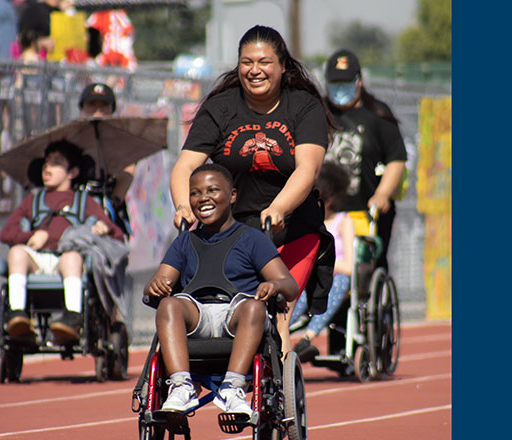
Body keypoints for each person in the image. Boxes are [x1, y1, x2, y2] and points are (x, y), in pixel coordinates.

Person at [169, 25, 336, 359]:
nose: (255, 70)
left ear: (283, 65)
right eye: (247, 62)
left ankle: (278, 400)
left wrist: (279, 208)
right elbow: (184, 166)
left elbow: (308, 169)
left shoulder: (303, 107)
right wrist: (183, 205)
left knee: (278, 315)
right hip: (232, 236)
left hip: (292, 232)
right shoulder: (220, 108)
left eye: (264, 61)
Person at [145, 164, 298, 414]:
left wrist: (273, 284)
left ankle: (232, 388)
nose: (203, 198)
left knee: (253, 306)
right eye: (195, 193)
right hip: (197, 318)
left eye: (213, 190)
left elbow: (289, 285)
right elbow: (158, 283)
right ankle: (181, 387)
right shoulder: (184, 241)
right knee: (168, 304)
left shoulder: (252, 239)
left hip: (239, 316)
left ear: (232, 195)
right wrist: (156, 286)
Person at [0, 139, 125, 344]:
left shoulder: (85, 202)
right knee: (16, 253)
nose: (47, 166)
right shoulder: (33, 201)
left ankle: (72, 319)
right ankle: (17, 316)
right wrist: (30, 236)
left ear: (72, 172)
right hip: (37, 260)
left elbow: (117, 235)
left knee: (72, 257)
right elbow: (5, 233)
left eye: (56, 162)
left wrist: (103, 230)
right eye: (46, 162)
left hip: (66, 262)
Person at [323, 49, 407, 271]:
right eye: (335, 83)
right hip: (327, 213)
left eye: (346, 82)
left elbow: (396, 158)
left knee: (368, 268)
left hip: (367, 212)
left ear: (359, 82)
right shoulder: (318, 112)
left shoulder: (377, 114)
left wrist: (382, 194)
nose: (340, 88)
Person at [290, 161, 355, 362]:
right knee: (297, 288)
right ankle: (276, 332)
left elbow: (349, 267)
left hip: (336, 277)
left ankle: (307, 339)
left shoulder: (343, 222)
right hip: (311, 278)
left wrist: (325, 263)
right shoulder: (307, 222)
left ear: (333, 197)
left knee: (340, 281)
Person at [78, 82, 134, 237]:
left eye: (103, 106)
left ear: (112, 109)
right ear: (82, 108)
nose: (98, 112)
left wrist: (112, 202)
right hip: (76, 208)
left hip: (108, 206)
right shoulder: (70, 138)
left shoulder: (121, 140)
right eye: (92, 106)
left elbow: (127, 174)